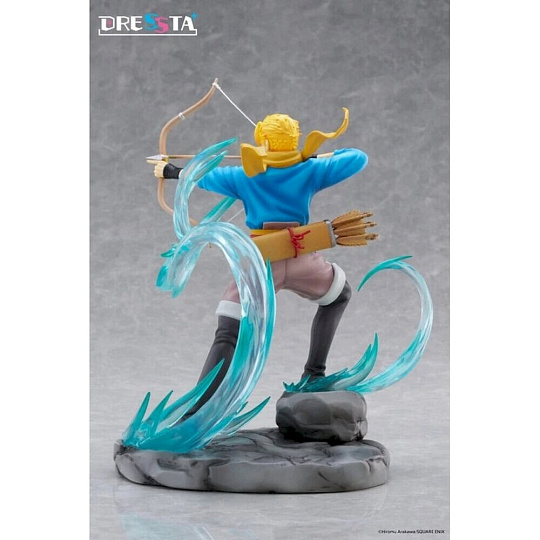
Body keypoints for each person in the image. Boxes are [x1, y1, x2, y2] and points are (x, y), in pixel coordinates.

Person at [154, 109, 368, 412]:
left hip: (260, 264)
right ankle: (313, 373)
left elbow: (200, 176)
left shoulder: (245, 175)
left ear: (263, 142)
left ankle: (196, 410)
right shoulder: (309, 171)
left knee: (229, 329)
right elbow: (357, 158)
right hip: (301, 256)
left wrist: (171, 170)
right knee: (339, 294)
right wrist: (313, 158)